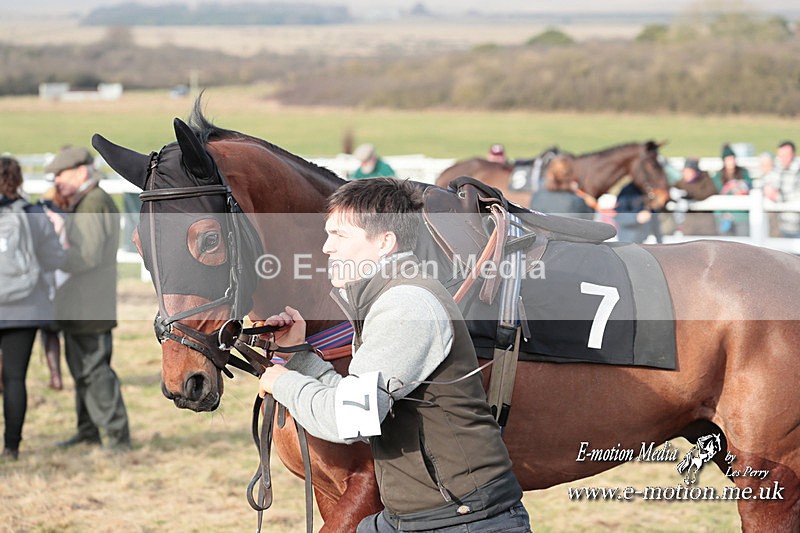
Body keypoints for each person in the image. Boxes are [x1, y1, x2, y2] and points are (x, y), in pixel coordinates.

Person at [257, 178, 530, 532]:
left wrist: (283, 382)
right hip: (421, 517)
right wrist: (298, 356)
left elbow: (351, 419)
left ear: (385, 242)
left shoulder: (407, 305)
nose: (326, 247)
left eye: (339, 235)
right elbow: (360, 402)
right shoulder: (388, 298)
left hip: (464, 521)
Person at [45, 146, 131, 451]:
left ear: (81, 171)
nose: (57, 180)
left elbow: (87, 255)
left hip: (88, 303)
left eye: (61, 174)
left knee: (95, 371)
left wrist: (49, 258)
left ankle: (117, 437)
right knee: (82, 370)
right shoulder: (89, 200)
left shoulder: (92, 202)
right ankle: (87, 431)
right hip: (83, 302)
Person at [0, 156, 65, 460]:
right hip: (24, 308)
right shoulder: (33, 213)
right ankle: (11, 447)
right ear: (19, 180)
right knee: (15, 378)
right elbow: (55, 258)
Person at [529, 156, 594, 220]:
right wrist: (591, 205)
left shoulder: (537, 197)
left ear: (550, 173)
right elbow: (589, 219)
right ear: (571, 175)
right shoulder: (578, 202)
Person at [711, 144, 751, 236]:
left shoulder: (743, 173)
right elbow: (717, 193)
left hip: (741, 214)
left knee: (743, 240)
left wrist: (737, 186)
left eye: (732, 159)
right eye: (728, 159)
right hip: (724, 215)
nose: (731, 162)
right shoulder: (718, 177)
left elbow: (748, 187)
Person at [763, 140, 800, 237]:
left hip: (796, 223)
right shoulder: (777, 168)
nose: (782, 158)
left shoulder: (798, 170)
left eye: (786, 155)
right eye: (780, 155)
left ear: (793, 155)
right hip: (780, 224)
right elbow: (767, 184)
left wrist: (778, 197)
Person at [673, 158, 718, 236]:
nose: (685, 174)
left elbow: (708, 192)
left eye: (688, 171)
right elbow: (673, 190)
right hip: (689, 223)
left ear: (694, 172)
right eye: (685, 171)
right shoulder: (681, 183)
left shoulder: (705, 180)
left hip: (705, 222)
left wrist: (690, 194)